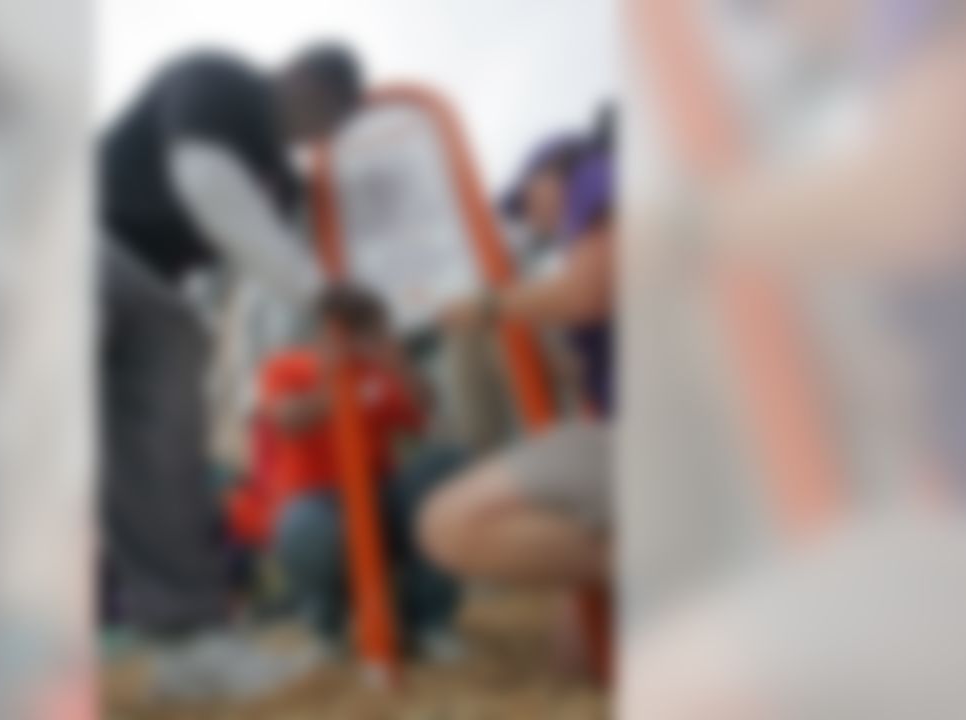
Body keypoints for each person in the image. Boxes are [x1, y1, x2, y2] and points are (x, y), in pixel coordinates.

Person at [98, 43, 364, 700]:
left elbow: (286, 246)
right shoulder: (222, 79)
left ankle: (189, 647)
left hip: (163, 293)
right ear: (297, 76)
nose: (322, 136)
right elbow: (205, 178)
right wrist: (320, 291)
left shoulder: (283, 174)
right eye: (327, 114)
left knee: (166, 471)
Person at [420, 109, 616, 586]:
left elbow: (588, 292)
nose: (530, 220)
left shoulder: (596, 174)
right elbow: (582, 366)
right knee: (572, 647)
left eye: (525, 201)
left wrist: (486, 305)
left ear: (553, 170)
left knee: (453, 524)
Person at [248, 285, 464, 660]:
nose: (363, 340)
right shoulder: (289, 364)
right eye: (356, 330)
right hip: (318, 497)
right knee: (305, 531)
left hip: (381, 490)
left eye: (373, 329)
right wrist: (332, 376)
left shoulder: (381, 370)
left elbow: (426, 415)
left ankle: (429, 623)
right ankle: (328, 629)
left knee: (445, 467)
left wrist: (397, 364)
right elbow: (288, 420)